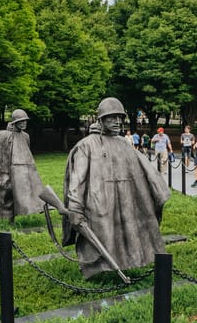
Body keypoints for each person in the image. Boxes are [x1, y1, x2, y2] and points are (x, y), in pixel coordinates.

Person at [63, 97, 170, 278]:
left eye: (120, 118)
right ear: (101, 119)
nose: (117, 122)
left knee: (128, 234)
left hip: (125, 198)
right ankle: (95, 269)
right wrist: (74, 206)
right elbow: (77, 179)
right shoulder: (86, 145)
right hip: (99, 201)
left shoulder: (123, 143)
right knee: (102, 234)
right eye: (112, 118)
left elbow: (143, 171)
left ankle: (129, 262)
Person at [0, 109, 44, 222]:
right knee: (2, 192)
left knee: (17, 194)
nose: (24, 123)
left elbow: (26, 153)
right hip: (5, 169)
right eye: (21, 121)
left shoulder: (25, 136)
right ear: (14, 122)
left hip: (20, 170)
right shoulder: (4, 136)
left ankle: (9, 218)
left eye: (25, 121)